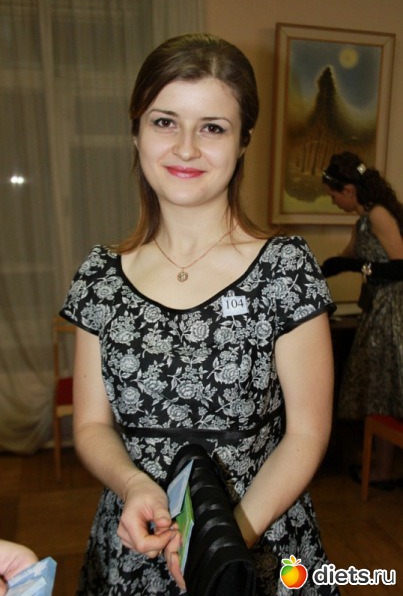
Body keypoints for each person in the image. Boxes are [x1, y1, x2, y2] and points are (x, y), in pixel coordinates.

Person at [61, 33, 338, 595]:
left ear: (243, 141)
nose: (185, 148)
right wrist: (133, 484)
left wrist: (220, 547)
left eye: (212, 127)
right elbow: (90, 425)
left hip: (256, 545)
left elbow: (307, 433)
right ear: (136, 131)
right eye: (165, 122)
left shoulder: (285, 268)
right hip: (135, 540)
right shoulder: (99, 274)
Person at [322, 151, 403, 489]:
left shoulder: (379, 214)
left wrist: (356, 267)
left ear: (349, 190)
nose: (333, 201)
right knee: (376, 386)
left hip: (392, 307)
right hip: (376, 306)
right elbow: (346, 257)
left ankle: (383, 470)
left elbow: (400, 266)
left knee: (382, 385)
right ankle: (379, 466)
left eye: (334, 195)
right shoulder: (363, 222)